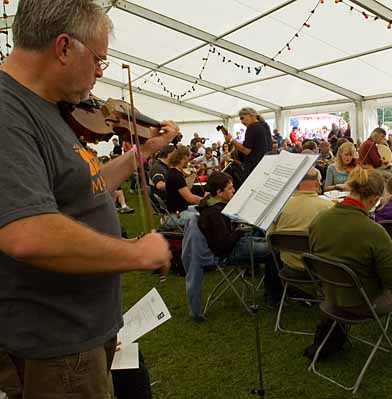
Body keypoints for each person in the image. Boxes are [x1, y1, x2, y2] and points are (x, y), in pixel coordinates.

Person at [0, 1, 177, 397]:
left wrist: (143, 154)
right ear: (64, 47)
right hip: (57, 339)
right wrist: (136, 253)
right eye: (99, 60)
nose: (100, 72)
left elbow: (86, 183)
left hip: (81, 327)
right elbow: (27, 233)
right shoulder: (8, 113)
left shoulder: (45, 106)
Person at [309, 167, 392, 348]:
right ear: (373, 199)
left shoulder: (318, 220)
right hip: (363, 303)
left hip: (330, 295)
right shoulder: (374, 232)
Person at [196, 172, 280, 306]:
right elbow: (223, 244)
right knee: (275, 251)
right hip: (227, 253)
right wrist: (240, 230)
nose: (233, 190)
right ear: (219, 192)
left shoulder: (213, 205)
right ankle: (274, 296)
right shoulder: (214, 213)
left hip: (234, 244)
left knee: (272, 243)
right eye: (230, 188)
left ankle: (273, 289)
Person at [269, 168, 332, 276]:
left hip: (289, 268)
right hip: (321, 271)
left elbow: (269, 238)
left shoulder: (279, 207)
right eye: (320, 181)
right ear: (317, 183)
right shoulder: (329, 207)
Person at [224, 107, 271, 180]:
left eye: (242, 118)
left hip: (254, 167)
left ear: (250, 115)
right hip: (266, 164)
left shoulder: (252, 127)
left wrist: (231, 140)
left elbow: (246, 151)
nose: (241, 122)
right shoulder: (265, 125)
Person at [166, 146, 201, 225]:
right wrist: (207, 201)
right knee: (205, 218)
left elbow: (187, 188)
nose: (189, 160)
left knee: (203, 210)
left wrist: (193, 175)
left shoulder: (174, 172)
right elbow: (190, 199)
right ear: (185, 156)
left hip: (181, 209)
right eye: (189, 157)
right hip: (177, 214)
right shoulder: (176, 176)